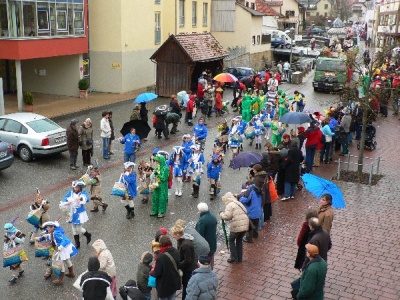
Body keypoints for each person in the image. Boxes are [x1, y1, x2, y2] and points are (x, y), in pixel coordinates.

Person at [60, 180, 92, 249]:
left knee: (79, 228)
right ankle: (77, 243)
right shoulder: (70, 193)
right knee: (73, 228)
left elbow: (87, 198)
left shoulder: (83, 193)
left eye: (78, 187)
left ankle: (88, 235)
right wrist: (67, 202)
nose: (76, 189)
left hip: (80, 212)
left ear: (80, 187)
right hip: (71, 212)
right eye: (75, 187)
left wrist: (80, 198)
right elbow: (64, 199)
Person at [220, 192, 249, 263]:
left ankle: (233, 258)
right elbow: (246, 211)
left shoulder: (230, 205)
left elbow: (227, 217)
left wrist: (221, 214)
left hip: (237, 225)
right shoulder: (238, 203)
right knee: (239, 240)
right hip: (245, 225)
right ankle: (239, 258)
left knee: (231, 240)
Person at [170, 226, 197, 300]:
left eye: (174, 234)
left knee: (186, 286)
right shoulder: (183, 241)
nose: (173, 236)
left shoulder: (185, 245)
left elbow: (187, 260)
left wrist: (178, 265)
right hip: (188, 268)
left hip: (188, 269)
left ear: (178, 234)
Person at [151, 235, 182, 300]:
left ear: (161, 244)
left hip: (164, 286)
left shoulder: (161, 257)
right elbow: (179, 265)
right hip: (174, 283)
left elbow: (157, 273)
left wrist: (151, 272)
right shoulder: (176, 251)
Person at [195, 203, 218, 269]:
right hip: (213, 241)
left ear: (200, 210)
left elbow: (200, 234)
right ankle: (211, 270)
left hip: (205, 243)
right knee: (211, 258)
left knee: (204, 259)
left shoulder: (202, 220)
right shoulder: (213, 216)